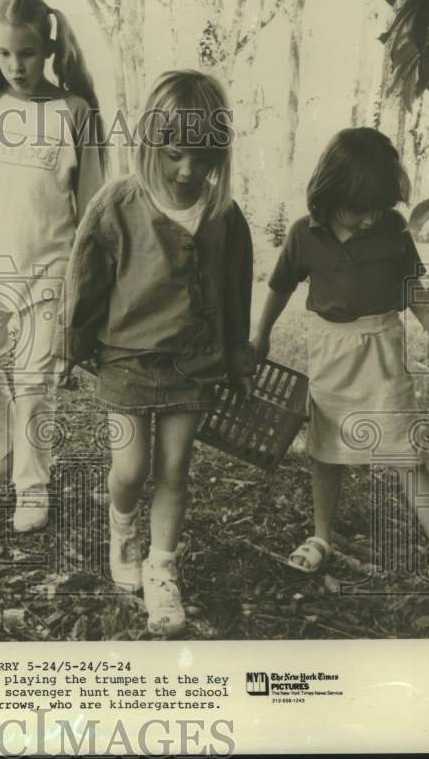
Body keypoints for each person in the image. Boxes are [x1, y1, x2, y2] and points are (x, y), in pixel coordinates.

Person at [54, 70, 255, 636]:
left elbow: (236, 290)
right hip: (126, 363)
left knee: (174, 469)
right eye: (174, 156)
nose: (188, 171)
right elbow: (85, 280)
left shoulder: (224, 216)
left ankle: (161, 569)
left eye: (203, 158)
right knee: (131, 468)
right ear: (148, 146)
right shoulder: (117, 203)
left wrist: (238, 356)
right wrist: (70, 347)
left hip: (194, 364)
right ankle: (123, 527)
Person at [253, 127, 429, 604]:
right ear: (331, 193)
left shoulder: (391, 230)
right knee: (325, 452)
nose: (371, 219)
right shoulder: (305, 233)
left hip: (381, 347)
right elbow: (281, 286)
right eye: (362, 208)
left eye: (379, 208)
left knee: (404, 450)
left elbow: (412, 288)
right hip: (331, 350)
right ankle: (322, 535)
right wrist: (260, 335)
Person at [0, 0, 105, 532]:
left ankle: (32, 487)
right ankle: (1, 454)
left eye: (28, 53)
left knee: (34, 379)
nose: (17, 66)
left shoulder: (75, 112)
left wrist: (89, 282)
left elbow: (92, 205)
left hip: (52, 268)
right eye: (6, 53)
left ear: (49, 49)